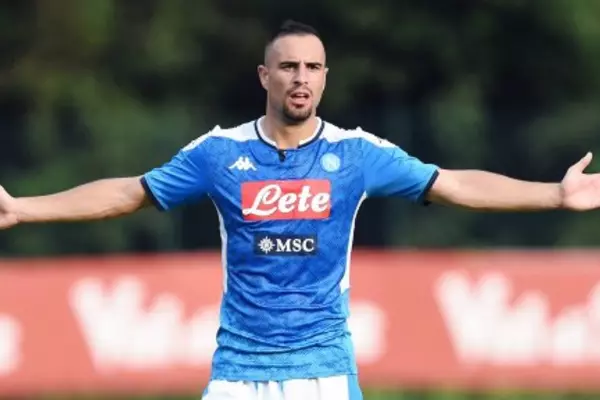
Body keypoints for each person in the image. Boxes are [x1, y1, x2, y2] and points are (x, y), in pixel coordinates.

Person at [1, 19, 600, 400]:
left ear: (325, 78)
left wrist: (553, 193)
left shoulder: (357, 154)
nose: (301, 77)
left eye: (312, 67)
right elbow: (129, 193)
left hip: (324, 368)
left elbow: (454, 184)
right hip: (237, 371)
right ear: (265, 75)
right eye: (288, 66)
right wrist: (23, 209)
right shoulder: (218, 153)